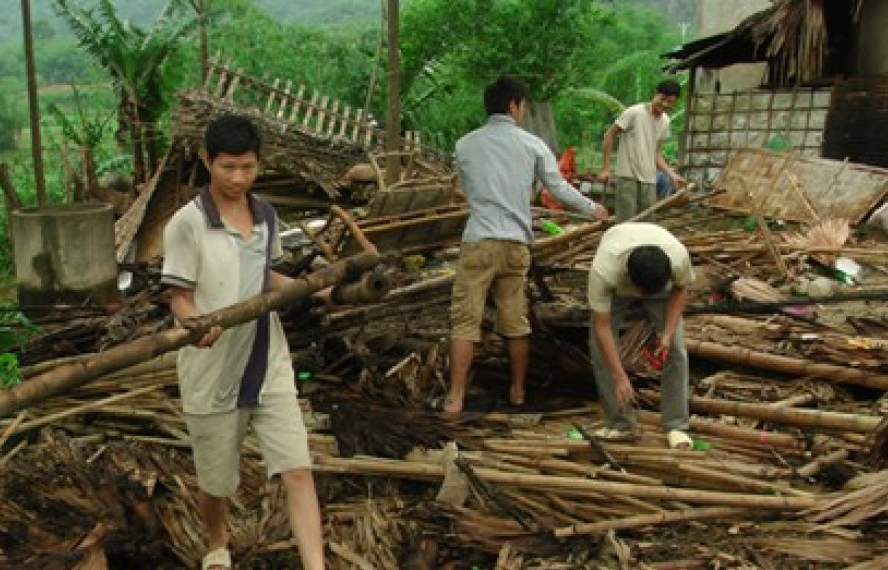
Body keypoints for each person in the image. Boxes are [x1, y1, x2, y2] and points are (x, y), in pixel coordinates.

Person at [161, 114, 324, 570]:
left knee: (297, 468)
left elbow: (263, 274)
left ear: (259, 164)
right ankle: (217, 542)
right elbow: (179, 296)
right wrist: (196, 325)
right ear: (207, 161)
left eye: (248, 167)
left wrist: (314, 288)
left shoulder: (266, 214)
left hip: (267, 359)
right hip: (213, 370)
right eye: (228, 167)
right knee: (217, 485)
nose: (238, 178)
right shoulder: (187, 224)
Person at [443, 75, 609, 414]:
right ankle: (518, 392)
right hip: (516, 244)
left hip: (479, 240)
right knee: (515, 321)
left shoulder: (464, 145)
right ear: (514, 105)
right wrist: (593, 209)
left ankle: (455, 398)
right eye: (524, 106)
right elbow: (558, 188)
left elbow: (464, 189)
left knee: (465, 322)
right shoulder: (532, 145)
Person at [587, 222, 694, 449]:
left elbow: (680, 290)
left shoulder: (678, 258)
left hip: (657, 284)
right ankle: (619, 422)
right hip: (617, 286)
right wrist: (620, 377)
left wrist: (667, 334)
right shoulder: (605, 270)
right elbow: (602, 326)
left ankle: (676, 425)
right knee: (599, 348)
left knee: (676, 349)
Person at [599, 79, 687, 221]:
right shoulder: (634, 113)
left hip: (649, 179)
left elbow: (656, 153)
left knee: (647, 222)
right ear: (655, 94)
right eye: (662, 99)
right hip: (627, 176)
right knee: (626, 221)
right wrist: (606, 168)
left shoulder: (665, 122)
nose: (665, 104)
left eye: (670, 102)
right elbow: (609, 134)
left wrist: (672, 175)